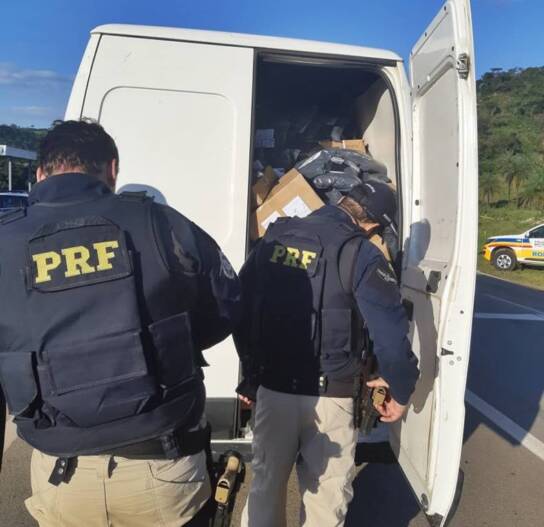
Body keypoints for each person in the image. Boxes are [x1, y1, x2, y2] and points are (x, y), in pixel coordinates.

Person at [0, 120, 241, 527]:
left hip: (61, 476)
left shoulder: (5, 242)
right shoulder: (162, 223)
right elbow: (227, 304)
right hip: (162, 469)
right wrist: (167, 346)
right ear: (112, 169)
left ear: (40, 173)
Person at [234, 182, 420, 527]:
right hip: (332, 395)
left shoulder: (276, 237)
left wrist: (250, 375)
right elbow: (391, 337)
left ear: (342, 201)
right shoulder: (362, 254)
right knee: (325, 500)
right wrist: (401, 388)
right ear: (372, 224)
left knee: (265, 488)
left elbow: (239, 307)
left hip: (273, 389)